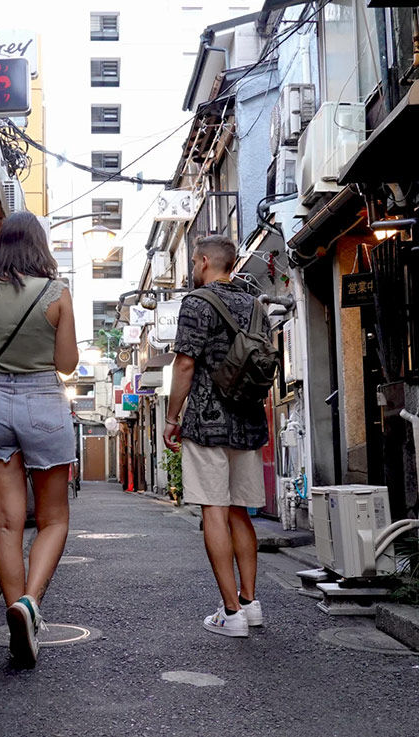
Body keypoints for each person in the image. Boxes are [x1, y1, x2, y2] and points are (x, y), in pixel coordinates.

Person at [0, 211, 79, 667]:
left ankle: (18, 615)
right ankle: (30, 604)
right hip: (43, 404)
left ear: (1, 244)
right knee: (52, 519)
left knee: (7, 524)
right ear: (39, 245)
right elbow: (68, 363)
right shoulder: (56, 293)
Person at [163, 235, 270, 638]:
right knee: (240, 510)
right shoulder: (254, 304)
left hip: (208, 421)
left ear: (206, 261)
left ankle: (230, 612)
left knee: (214, 509)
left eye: (193, 261)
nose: (192, 268)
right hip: (247, 419)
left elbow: (185, 364)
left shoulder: (197, 303)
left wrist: (173, 417)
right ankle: (250, 602)